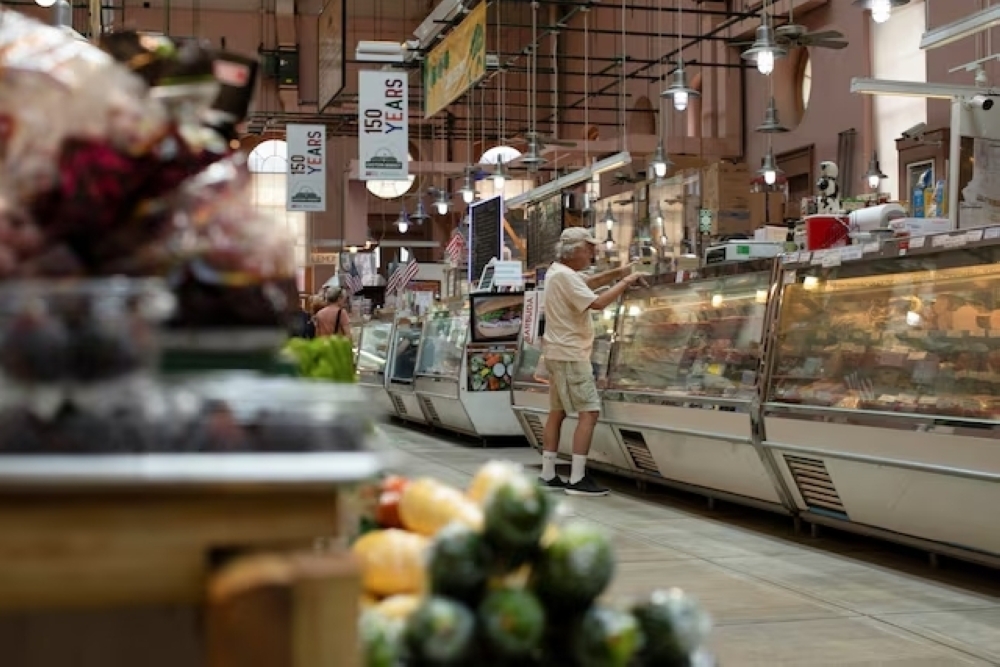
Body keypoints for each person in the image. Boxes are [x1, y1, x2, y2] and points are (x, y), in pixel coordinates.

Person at [540, 226, 645, 496]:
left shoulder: (557, 273)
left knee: (558, 412)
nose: (593, 252)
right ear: (575, 251)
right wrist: (625, 283)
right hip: (572, 354)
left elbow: (586, 285)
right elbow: (597, 303)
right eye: (589, 248)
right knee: (589, 412)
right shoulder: (565, 276)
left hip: (556, 352)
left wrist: (620, 273)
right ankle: (577, 479)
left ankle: (548, 473)